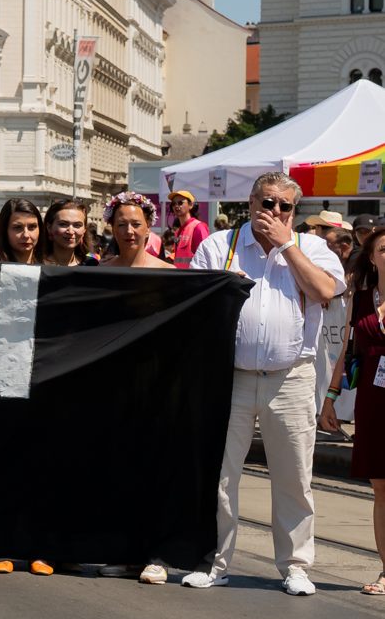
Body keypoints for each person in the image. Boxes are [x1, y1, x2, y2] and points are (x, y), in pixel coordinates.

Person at [185, 173, 346, 594]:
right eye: (267, 202)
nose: (274, 211)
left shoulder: (312, 248)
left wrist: (286, 245)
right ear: (251, 202)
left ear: (294, 211)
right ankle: (213, 560)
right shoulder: (220, 245)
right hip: (230, 377)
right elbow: (197, 303)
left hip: (291, 377)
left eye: (284, 206)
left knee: (294, 476)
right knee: (220, 475)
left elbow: (324, 291)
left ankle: (295, 566)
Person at [319, 225, 385, 596]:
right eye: (384, 249)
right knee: (381, 488)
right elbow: (345, 351)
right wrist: (330, 397)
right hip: (373, 403)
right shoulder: (360, 300)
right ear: (372, 258)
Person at [98, 194, 173, 271]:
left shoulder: (166, 271)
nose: (129, 231)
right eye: (122, 225)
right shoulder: (102, 270)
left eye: (136, 224)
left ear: (148, 228)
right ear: (113, 229)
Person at [0, 199, 43, 265]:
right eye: (18, 227)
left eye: (32, 227)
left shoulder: (48, 268)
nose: (26, 235)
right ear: (4, 230)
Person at [163, 189, 211, 269]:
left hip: (193, 275)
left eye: (180, 203)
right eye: (174, 204)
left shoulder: (198, 227)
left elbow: (205, 257)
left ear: (191, 205)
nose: (176, 206)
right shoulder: (178, 231)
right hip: (181, 275)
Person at [43, 199, 97, 267]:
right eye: (63, 224)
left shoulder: (91, 265)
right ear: (49, 228)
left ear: (84, 230)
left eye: (77, 225)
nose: (71, 232)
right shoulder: (36, 265)